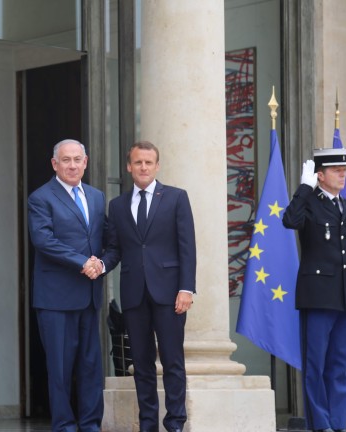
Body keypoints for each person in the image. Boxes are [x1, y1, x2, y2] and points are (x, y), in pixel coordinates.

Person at [102, 141, 196, 432]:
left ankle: (176, 422)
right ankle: (147, 424)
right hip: (134, 294)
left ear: (157, 166)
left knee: (172, 361)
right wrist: (101, 265)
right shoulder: (117, 205)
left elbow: (187, 247)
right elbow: (115, 248)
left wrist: (186, 288)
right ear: (129, 166)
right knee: (141, 364)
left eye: (148, 163)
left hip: (170, 294)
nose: (143, 167)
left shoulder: (176, 198)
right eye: (138, 162)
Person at [27, 139, 107, 432]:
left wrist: (103, 263)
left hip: (89, 296)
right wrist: (83, 262)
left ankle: (90, 425)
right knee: (59, 369)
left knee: (90, 367)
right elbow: (44, 240)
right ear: (54, 164)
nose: (72, 165)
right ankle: (64, 425)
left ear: (85, 162)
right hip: (55, 299)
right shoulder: (41, 197)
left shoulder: (97, 197)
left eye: (77, 160)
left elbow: (106, 239)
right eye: (66, 160)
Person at [283, 148, 346, 432]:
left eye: (344, 169)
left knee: (338, 365)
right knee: (315, 365)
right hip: (317, 296)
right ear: (320, 175)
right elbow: (289, 221)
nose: (342, 173)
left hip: (343, 296)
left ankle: (339, 423)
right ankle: (321, 425)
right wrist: (303, 188)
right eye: (336, 170)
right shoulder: (309, 203)